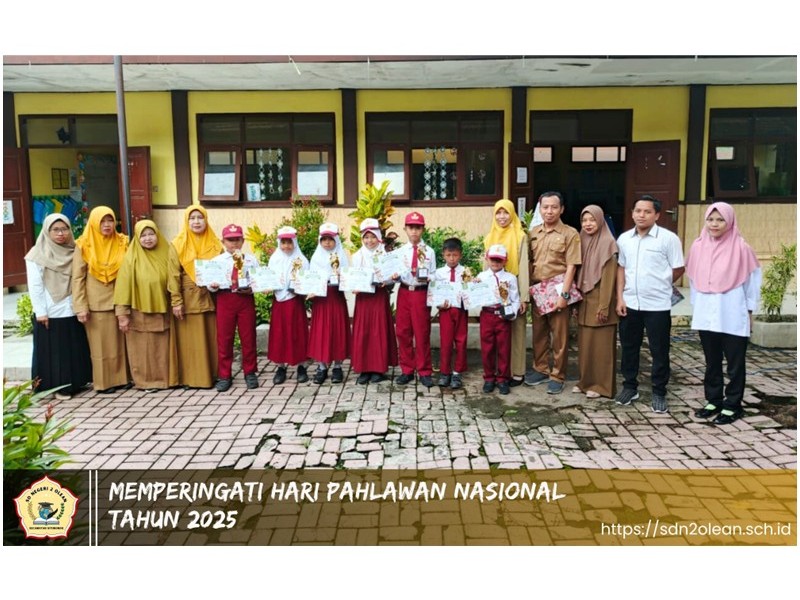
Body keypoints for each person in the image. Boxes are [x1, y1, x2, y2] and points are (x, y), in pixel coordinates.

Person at [686, 202, 761, 425]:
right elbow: (693, 279)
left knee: (735, 362)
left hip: (732, 312)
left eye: (720, 220)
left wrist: (749, 311)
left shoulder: (741, 248)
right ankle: (714, 400)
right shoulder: (698, 246)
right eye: (710, 219)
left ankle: (733, 404)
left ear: (730, 222)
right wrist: (696, 306)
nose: (714, 224)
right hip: (706, 312)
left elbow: (751, 283)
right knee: (712, 360)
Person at [615, 195, 685, 413]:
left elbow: (678, 267)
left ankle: (659, 391)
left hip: (658, 305)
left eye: (647, 211)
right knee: (629, 347)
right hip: (630, 303)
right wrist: (620, 298)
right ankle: (630, 386)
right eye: (638, 211)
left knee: (659, 349)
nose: (641, 215)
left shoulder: (668, 239)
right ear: (632, 213)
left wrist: (661, 284)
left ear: (657, 215)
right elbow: (621, 268)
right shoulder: (624, 239)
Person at [26, 213, 92, 399]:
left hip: (71, 307)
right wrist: (41, 312)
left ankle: (76, 382)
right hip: (50, 310)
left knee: (73, 347)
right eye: (55, 230)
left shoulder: (75, 250)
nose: (61, 233)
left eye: (64, 229)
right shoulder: (37, 254)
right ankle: (56, 388)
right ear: (47, 231)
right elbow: (35, 285)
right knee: (54, 352)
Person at [526, 191, 581, 394]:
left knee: (559, 336)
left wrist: (564, 296)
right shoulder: (533, 233)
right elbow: (529, 262)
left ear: (562, 209)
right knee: (539, 334)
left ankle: (558, 375)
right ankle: (540, 368)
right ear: (540, 209)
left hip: (558, 290)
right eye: (545, 207)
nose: (549, 211)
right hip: (538, 290)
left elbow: (572, 266)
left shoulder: (570, 234)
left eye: (554, 207)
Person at [113, 220, 178, 391]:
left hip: (164, 311)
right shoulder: (131, 258)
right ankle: (146, 382)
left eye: (151, 234)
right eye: (143, 235)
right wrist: (122, 314)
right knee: (143, 349)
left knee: (163, 348)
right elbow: (123, 287)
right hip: (140, 312)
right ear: (137, 238)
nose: (148, 239)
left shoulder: (167, 252)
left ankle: (167, 380)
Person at [72, 206, 131, 393]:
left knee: (119, 344)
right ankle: (104, 383)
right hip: (96, 303)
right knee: (100, 346)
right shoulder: (83, 245)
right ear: (94, 223)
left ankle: (122, 379)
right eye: (102, 221)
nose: (107, 225)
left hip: (120, 298)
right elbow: (77, 278)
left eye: (110, 220)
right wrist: (80, 306)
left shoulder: (122, 242)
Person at [168, 205, 222, 389]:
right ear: (186, 221)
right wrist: (176, 301)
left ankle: (214, 375)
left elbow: (223, 269)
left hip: (211, 297)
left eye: (200, 217)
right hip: (188, 299)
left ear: (206, 220)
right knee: (190, 341)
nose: (197, 222)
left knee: (211, 337)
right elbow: (173, 275)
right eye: (192, 218)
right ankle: (191, 378)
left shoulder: (215, 243)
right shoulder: (177, 244)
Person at [206, 224, 260, 392]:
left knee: (248, 337)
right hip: (225, 298)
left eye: (237, 239)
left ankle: (250, 372)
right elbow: (209, 285)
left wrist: (253, 288)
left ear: (243, 241)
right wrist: (213, 285)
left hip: (245, 299)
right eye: (230, 240)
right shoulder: (217, 261)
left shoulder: (250, 260)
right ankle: (225, 375)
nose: (234, 243)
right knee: (225, 338)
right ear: (223, 242)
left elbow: (258, 280)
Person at [574, 205, 619, 399]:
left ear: (600, 220)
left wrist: (604, 306)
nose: (588, 224)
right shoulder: (582, 240)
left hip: (601, 301)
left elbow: (609, 278)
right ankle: (585, 383)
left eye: (592, 220)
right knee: (586, 347)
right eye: (584, 220)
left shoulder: (608, 243)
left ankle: (602, 386)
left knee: (602, 349)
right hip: (585, 301)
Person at [484, 199, 530, 387]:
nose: (502, 217)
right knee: (495, 338)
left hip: (514, 288)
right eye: (498, 212)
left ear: (512, 214)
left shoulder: (520, 236)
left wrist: (524, 297)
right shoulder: (489, 237)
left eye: (506, 212)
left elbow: (523, 267)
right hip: (493, 293)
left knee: (516, 331)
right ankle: (496, 373)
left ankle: (516, 372)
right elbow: (485, 267)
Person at [350, 218, 398, 384]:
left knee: (379, 330)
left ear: (378, 237)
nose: (369, 241)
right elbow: (353, 277)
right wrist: (353, 286)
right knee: (363, 331)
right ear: (362, 238)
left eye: (372, 237)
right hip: (363, 298)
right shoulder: (357, 256)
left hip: (379, 296)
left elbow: (392, 277)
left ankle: (378, 368)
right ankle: (364, 368)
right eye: (366, 237)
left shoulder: (386, 255)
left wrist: (390, 279)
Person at [394, 211, 437, 388]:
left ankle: (424, 370)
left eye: (417, 228)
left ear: (423, 229)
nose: (414, 231)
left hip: (420, 293)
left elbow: (434, 275)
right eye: (411, 227)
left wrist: (427, 277)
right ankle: (407, 369)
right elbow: (394, 273)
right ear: (405, 229)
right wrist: (394, 276)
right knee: (403, 332)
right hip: (405, 292)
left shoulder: (429, 252)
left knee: (422, 332)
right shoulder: (399, 252)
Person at [307, 222, 351, 385]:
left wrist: (342, 277)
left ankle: (338, 366)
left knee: (337, 329)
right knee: (322, 331)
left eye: (330, 239)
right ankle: (322, 366)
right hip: (321, 299)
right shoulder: (316, 258)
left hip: (336, 296)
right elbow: (311, 277)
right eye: (324, 239)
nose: (327, 242)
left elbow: (348, 277)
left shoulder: (342, 256)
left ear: (336, 240)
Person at [267, 226, 310, 385]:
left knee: (297, 332)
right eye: (283, 242)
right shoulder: (274, 259)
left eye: (289, 242)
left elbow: (307, 279)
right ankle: (281, 367)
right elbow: (269, 277)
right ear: (279, 243)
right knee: (280, 333)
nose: (286, 246)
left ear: (295, 242)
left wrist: (302, 287)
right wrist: (266, 285)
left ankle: (301, 366)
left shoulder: (301, 260)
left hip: (295, 301)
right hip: (279, 301)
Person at [476, 244, 520, 395]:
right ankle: (489, 377)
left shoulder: (510, 278)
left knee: (504, 348)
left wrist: (511, 313)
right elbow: (475, 296)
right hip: (487, 314)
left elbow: (515, 299)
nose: (495, 263)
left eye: (499, 260)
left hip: (503, 316)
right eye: (493, 259)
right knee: (487, 348)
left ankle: (502, 379)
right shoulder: (481, 277)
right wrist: (473, 288)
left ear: (505, 261)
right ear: (487, 259)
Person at [433, 237, 468, 390]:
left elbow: (469, 292)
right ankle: (445, 372)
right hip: (445, 311)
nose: (452, 258)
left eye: (455, 255)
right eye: (448, 255)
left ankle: (457, 372)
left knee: (461, 341)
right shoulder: (438, 273)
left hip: (461, 310)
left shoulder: (466, 272)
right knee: (446, 341)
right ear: (443, 255)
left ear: (460, 255)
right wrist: (439, 304)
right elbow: (434, 292)